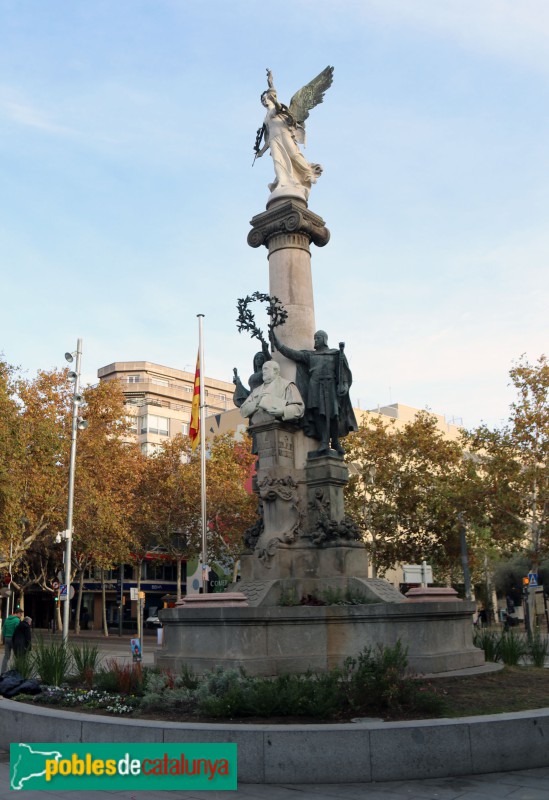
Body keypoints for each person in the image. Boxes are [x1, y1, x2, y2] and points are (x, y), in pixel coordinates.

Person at [270, 328, 358, 455]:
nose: (315, 340)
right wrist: (277, 343)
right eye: (315, 338)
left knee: (334, 414)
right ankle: (324, 441)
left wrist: (344, 384)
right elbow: (291, 354)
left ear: (324, 339)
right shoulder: (310, 355)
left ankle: (335, 442)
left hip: (330, 385)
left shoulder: (335, 354)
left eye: (318, 338)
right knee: (318, 413)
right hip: (314, 386)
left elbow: (343, 372)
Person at [255, 89, 322, 198]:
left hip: (284, 135)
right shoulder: (266, 118)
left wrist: (274, 99)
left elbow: (278, 108)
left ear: (271, 98)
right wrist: (261, 152)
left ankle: (308, 172)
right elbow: (268, 138)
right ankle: (282, 182)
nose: (264, 101)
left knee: (294, 155)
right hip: (273, 140)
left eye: (266, 98)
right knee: (278, 162)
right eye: (262, 100)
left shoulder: (275, 109)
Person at [239, 360, 304, 423]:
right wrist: (256, 403)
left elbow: (299, 408)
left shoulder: (287, 385)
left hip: (280, 426)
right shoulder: (256, 391)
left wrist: (283, 411)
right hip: (258, 427)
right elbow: (243, 410)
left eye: (266, 369)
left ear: (275, 371)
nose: (263, 372)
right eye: (263, 369)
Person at [1, 609, 24, 673]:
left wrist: (5, 637)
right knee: (17, 656)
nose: (21, 615)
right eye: (20, 614)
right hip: (14, 639)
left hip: (7, 638)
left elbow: (3, 630)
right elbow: (18, 631)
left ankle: (2, 672)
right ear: (17, 613)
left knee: (6, 656)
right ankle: (16, 672)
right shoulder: (17, 620)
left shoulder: (7, 620)